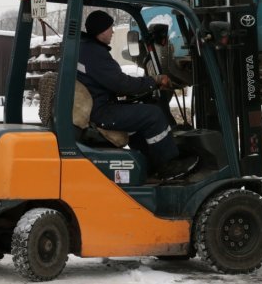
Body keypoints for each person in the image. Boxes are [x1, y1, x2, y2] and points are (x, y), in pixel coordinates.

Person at [77, 10, 197, 180]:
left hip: (97, 105)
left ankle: (148, 161)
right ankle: (167, 164)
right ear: (101, 30)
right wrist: (153, 81)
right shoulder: (95, 53)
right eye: (110, 28)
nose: (112, 31)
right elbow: (121, 84)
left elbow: (111, 82)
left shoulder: (85, 49)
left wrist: (142, 87)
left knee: (143, 109)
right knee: (153, 114)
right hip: (100, 111)